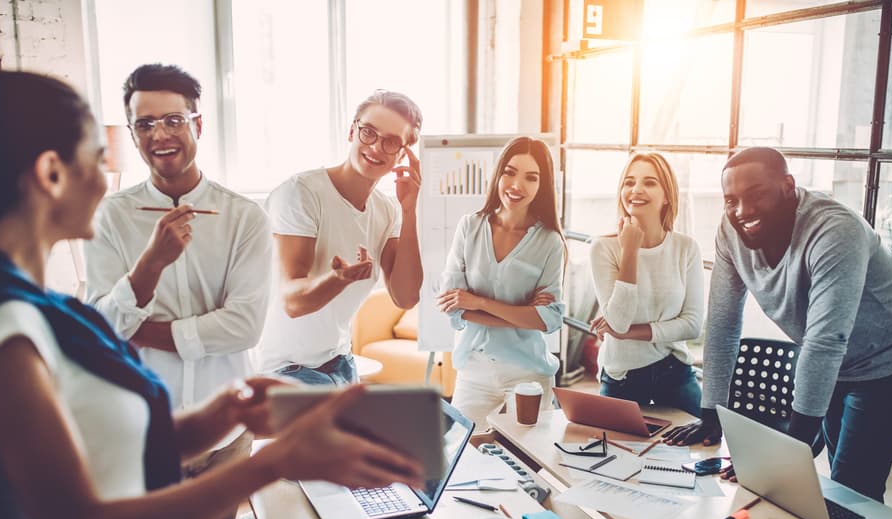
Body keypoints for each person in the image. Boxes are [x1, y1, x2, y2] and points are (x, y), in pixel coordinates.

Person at [0, 70, 422, 519]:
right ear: (50, 174)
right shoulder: (4, 327)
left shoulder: (42, 309)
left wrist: (224, 411)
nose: (112, 176)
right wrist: (274, 462)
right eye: (100, 154)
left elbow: (111, 447)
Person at [83, 64, 271, 519]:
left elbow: (245, 325)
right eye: (144, 123)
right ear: (134, 134)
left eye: (172, 118)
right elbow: (102, 331)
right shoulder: (111, 219)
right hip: (152, 437)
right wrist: (151, 267)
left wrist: (149, 328)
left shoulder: (244, 217)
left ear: (197, 123)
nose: (159, 133)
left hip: (228, 426)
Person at [665, 147, 892, 503]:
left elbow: (826, 341)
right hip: (836, 355)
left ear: (788, 186)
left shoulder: (835, 231)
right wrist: (710, 414)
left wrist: (788, 450)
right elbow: (722, 324)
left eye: (756, 195)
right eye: (731, 200)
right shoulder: (730, 232)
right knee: (831, 475)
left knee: (852, 486)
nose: (742, 211)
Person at [256, 89, 424, 386]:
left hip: (341, 363)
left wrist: (410, 210)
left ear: (403, 154)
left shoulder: (386, 210)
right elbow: (292, 302)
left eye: (391, 142)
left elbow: (405, 296)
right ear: (352, 131)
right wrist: (338, 279)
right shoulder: (301, 193)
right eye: (368, 132)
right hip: (287, 370)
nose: (375, 147)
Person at [437, 136, 565, 430]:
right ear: (498, 174)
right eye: (510, 172)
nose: (517, 185)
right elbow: (452, 307)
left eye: (531, 177)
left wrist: (478, 303)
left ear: (541, 185)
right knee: (463, 459)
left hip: (528, 374)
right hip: (474, 369)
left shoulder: (549, 242)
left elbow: (550, 319)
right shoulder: (470, 226)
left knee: (526, 467)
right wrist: (522, 314)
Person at [588, 152, 704, 417]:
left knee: (708, 446)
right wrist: (630, 251)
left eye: (649, 183)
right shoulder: (603, 248)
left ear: (667, 196)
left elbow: (692, 324)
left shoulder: (686, 248)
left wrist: (629, 333)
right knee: (615, 453)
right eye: (629, 182)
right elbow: (617, 322)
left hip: (674, 370)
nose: (636, 190)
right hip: (622, 376)